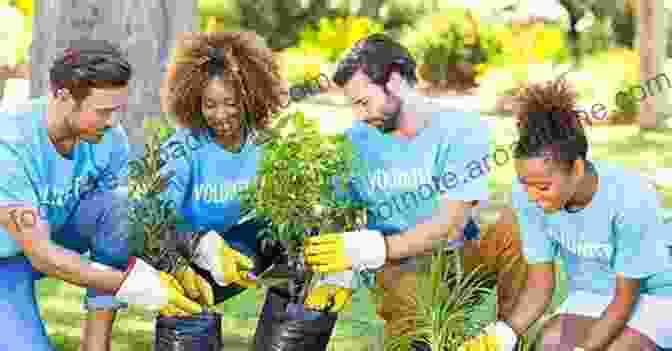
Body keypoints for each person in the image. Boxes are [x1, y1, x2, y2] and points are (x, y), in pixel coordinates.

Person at [301, 33, 530, 349]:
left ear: (394, 81)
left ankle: (506, 339)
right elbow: (338, 216)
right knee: (418, 333)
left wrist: (377, 248)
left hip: (459, 255)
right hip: (402, 268)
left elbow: (451, 225)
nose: (360, 115)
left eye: (364, 102)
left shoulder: (462, 130)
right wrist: (338, 274)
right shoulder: (354, 142)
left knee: (519, 224)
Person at [0, 39, 203, 351]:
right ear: (63, 96)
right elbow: (42, 256)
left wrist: (174, 264)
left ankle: (96, 345)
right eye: (103, 111)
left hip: (52, 233)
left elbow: (117, 228)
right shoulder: (10, 141)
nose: (112, 122)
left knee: (122, 207)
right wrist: (136, 285)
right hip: (6, 259)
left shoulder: (108, 139)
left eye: (117, 111)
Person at [158, 31, 354, 350]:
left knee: (307, 254)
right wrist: (199, 247)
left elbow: (306, 207)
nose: (221, 115)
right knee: (183, 293)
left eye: (231, 103)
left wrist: (338, 264)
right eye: (210, 105)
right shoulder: (182, 150)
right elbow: (153, 222)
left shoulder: (265, 143)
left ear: (250, 98)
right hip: (188, 254)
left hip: (242, 249)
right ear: (193, 100)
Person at [471, 78, 672, 351]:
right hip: (591, 296)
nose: (532, 195)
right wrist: (498, 339)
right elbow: (540, 287)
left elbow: (625, 300)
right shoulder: (528, 197)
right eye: (525, 184)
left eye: (543, 187)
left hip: (653, 299)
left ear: (577, 169)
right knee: (548, 343)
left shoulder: (631, 197)